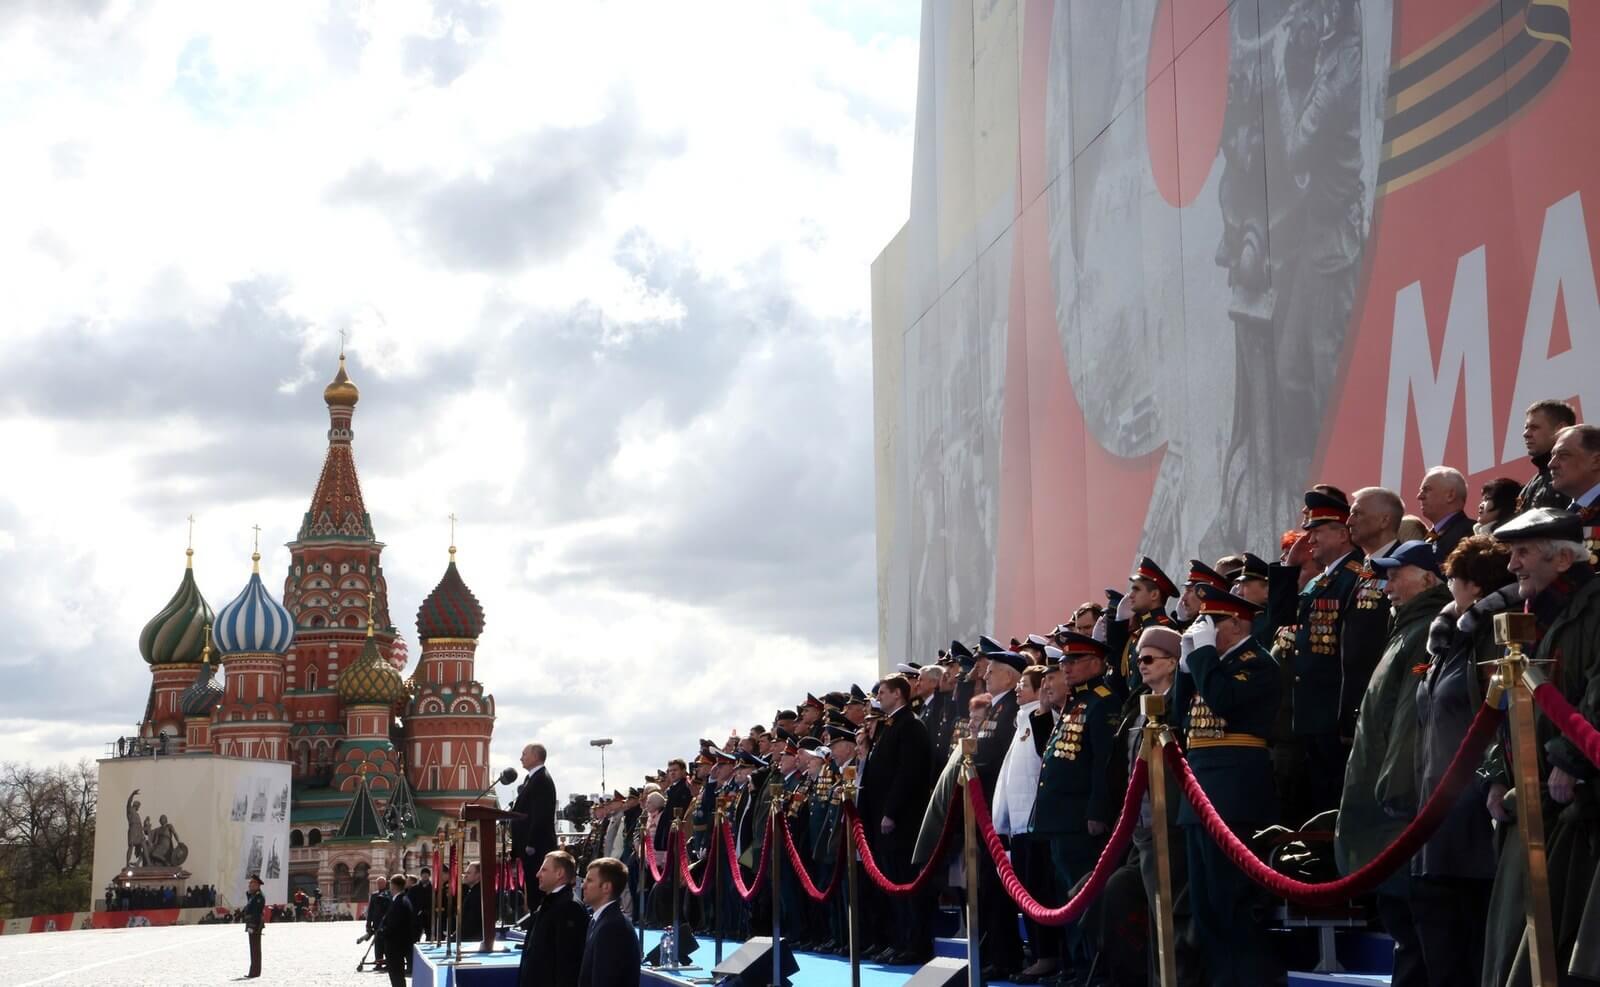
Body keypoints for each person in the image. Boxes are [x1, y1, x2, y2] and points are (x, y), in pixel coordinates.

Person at [1482, 508, 1600, 985]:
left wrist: (1570, 760)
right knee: (1512, 946)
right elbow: (1506, 707)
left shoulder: (1594, 610)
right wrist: (1496, 774)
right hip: (1529, 802)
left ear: (1563, 559)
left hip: (1576, 811)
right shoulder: (1529, 617)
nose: (1512, 565)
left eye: (1523, 552)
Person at [1336, 540, 1452, 987]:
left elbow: (1408, 721)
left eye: (1395, 576)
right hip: (1389, 806)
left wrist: (1395, 794)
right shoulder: (1408, 628)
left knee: (1416, 935)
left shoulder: (1424, 630)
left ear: (1428, 578)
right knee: (1404, 931)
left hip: (1400, 812)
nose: (1386, 586)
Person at [1413, 535, 1514, 987]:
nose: (1448, 586)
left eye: (1453, 578)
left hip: (1474, 822)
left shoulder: (1491, 640)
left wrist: (1493, 780)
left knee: (1469, 953)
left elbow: (1500, 722)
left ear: (1474, 586)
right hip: (1434, 818)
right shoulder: (1446, 642)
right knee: (1440, 951)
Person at [1173, 583, 1282, 987]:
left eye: (1213, 623)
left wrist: (1202, 657)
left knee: (1232, 901)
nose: (1205, 631)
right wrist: (1186, 667)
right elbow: (1179, 717)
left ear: (1236, 624)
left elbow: (1223, 701)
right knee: (1205, 907)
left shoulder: (1257, 663)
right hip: (1201, 793)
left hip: (1235, 794)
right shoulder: (1211, 666)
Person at [1032, 632, 1121, 985]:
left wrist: (1098, 811)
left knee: (1085, 897)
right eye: (1064, 661)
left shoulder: (1103, 702)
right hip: (1061, 819)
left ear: (1096, 664)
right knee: (1066, 897)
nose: (1065, 667)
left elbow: (1103, 764)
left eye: (1073, 661)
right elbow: (1053, 754)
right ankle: (1077, 967)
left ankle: (1094, 969)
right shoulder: (1077, 702)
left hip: (1081, 818)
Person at [858, 672, 933, 966]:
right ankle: (899, 941)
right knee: (892, 884)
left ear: (898, 694)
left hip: (902, 822)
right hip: (884, 821)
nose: (879, 698)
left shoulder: (910, 725)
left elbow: (908, 774)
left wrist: (891, 811)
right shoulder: (890, 726)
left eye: (883, 692)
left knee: (907, 884)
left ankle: (915, 944)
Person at [520, 850, 587, 987]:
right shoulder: (550, 903)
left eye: (544, 870)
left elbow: (568, 963)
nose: (538, 874)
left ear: (559, 873)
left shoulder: (569, 907)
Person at [580, 857, 641, 987]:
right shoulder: (599, 921)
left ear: (606, 887)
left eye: (589, 881)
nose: (583, 885)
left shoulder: (611, 927)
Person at [1513, 398, 1577, 514]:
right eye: (1526, 428)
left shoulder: (1578, 475)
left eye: (1534, 427)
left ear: (1561, 429)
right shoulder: (1529, 486)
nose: (1526, 434)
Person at [512, 743, 559, 903]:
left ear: (535, 756)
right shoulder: (532, 778)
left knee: (537, 890)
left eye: (524, 754)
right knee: (531, 890)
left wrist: (531, 843)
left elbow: (540, 815)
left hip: (536, 848)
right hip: (527, 847)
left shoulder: (541, 780)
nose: (521, 758)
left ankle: (538, 915)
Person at [1416, 466, 1474, 562]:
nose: (1419, 496)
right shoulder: (1431, 536)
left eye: (1426, 489)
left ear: (1450, 495)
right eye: (1421, 491)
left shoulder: (1470, 535)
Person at [381, 874, 417, 987]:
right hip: (399, 944)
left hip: (395, 946)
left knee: (396, 976)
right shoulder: (402, 899)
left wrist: (383, 931)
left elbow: (394, 925)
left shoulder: (399, 902)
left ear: (393, 886)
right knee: (397, 976)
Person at [366, 875, 393, 971]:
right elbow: (370, 911)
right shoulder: (374, 895)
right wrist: (368, 924)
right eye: (378, 883)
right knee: (378, 945)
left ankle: (388, 963)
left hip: (386, 924)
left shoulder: (389, 894)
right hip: (376, 923)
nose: (380, 884)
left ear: (385, 883)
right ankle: (378, 963)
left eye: (382, 883)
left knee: (386, 944)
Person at [242, 873, 265, 979]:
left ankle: (255, 972)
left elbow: (256, 912)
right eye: (250, 883)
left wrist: (252, 926)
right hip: (251, 923)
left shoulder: (259, 896)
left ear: (257, 885)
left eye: (251, 883)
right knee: (253, 948)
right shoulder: (254, 895)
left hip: (255, 924)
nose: (249, 885)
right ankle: (253, 971)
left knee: (255, 949)